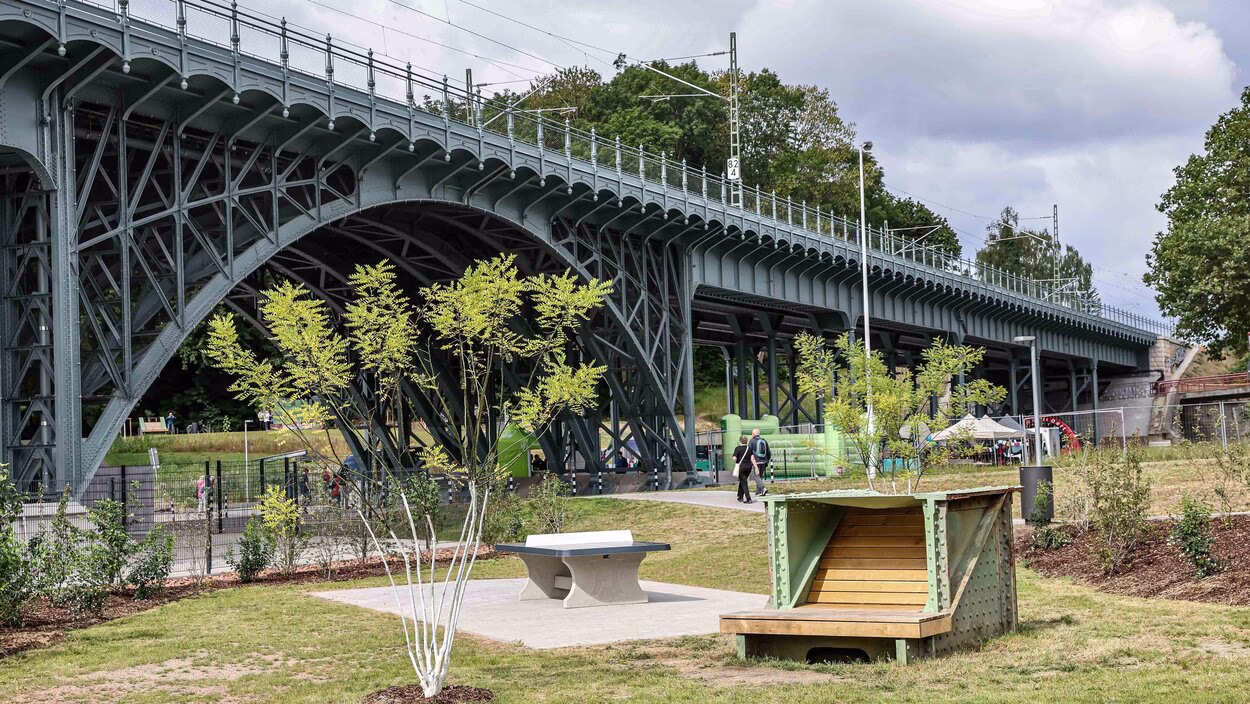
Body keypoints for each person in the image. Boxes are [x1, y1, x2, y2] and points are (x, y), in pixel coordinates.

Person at [747, 428, 771, 497]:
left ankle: (763, 488)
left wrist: (750, 461)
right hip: (764, 462)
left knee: (757, 476)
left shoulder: (751, 441)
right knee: (760, 476)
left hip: (756, 462)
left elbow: (749, 452)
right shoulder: (764, 441)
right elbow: (769, 452)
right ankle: (759, 491)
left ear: (753, 434)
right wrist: (767, 460)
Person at [731, 434, 753, 503]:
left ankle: (748, 498)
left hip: (741, 467)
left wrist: (735, 461)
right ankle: (740, 496)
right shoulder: (749, 449)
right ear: (746, 441)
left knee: (744, 482)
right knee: (743, 481)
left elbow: (734, 458)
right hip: (749, 467)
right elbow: (752, 458)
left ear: (740, 441)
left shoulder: (737, 448)